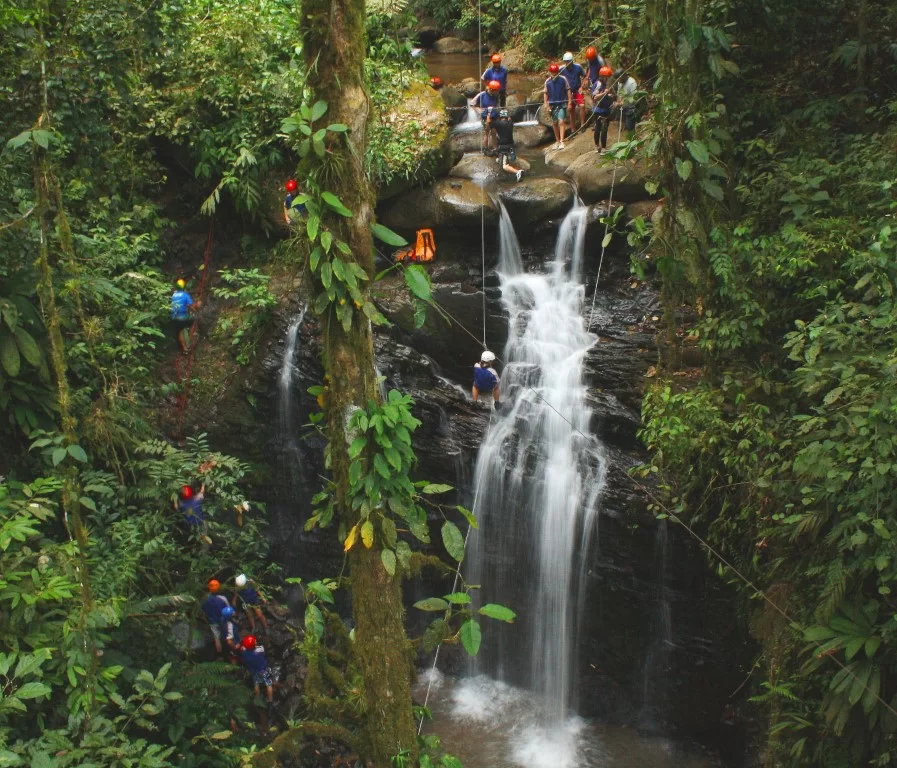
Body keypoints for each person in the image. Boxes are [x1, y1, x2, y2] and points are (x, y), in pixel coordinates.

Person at [543, 63, 572, 150]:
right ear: (550, 72)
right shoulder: (547, 81)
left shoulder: (563, 79)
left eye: (555, 72)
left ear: (558, 72)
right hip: (552, 105)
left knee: (561, 122)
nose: (554, 73)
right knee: (554, 123)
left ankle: (562, 141)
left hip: (561, 103)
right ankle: (557, 141)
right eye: (552, 72)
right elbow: (545, 93)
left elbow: (568, 90)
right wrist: (546, 104)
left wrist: (570, 102)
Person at [492, 109, 525, 182]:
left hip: (504, 148)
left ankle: (517, 172)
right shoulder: (510, 123)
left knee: (505, 166)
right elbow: (509, 118)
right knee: (500, 157)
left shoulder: (498, 123)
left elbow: (490, 122)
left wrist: (489, 113)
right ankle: (500, 159)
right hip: (511, 146)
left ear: (500, 117)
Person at [239, 635, 274, 704]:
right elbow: (263, 651)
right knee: (269, 684)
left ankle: (258, 699)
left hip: (254, 671)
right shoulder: (259, 649)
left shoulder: (244, 654)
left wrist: (244, 648)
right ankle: (270, 700)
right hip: (264, 669)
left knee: (256, 684)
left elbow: (243, 653)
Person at [559, 52, 587, 131]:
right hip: (568, 92)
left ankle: (582, 125)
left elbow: (585, 77)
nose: (567, 63)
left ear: (572, 61)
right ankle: (573, 129)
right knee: (571, 110)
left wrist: (582, 87)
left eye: (569, 61)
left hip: (577, 90)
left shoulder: (578, 67)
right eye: (566, 61)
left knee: (582, 105)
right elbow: (557, 79)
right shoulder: (561, 69)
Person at [201, 579, 230, 655]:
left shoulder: (205, 600)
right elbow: (228, 609)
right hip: (223, 620)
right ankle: (229, 650)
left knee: (216, 638)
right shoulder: (223, 599)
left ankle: (220, 654)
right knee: (227, 634)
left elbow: (203, 610)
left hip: (212, 621)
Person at [471, 80, 502, 152]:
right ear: (491, 89)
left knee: (494, 132)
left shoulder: (496, 95)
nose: (497, 92)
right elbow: (472, 104)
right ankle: (485, 148)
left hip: (494, 117)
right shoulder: (482, 95)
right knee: (487, 132)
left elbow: (498, 105)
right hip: (485, 118)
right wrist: (479, 111)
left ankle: (495, 148)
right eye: (496, 90)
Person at [591, 66, 616, 153]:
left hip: (606, 110)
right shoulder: (598, 84)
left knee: (605, 128)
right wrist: (604, 94)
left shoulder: (607, 84)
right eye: (606, 77)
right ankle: (597, 145)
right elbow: (595, 97)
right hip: (598, 110)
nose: (608, 79)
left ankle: (604, 147)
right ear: (602, 76)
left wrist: (610, 96)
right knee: (598, 128)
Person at [170, 279, 195, 354]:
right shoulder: (185, 295)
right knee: (194, 321)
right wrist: (195, 311)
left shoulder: (173, 295)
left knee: (179, 332)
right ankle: (190, 340)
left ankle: (184, 349)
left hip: (174, 317)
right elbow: (191, 305)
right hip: (183, 317)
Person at [616, 69, 640, 136]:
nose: (618, 81)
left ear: (623, 76)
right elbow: (619, 93)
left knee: (630, 127)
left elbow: (635, 98)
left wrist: (624, 101)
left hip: (631, 108)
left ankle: (633, 143)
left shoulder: (632, 83)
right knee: (623, 125)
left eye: (619, 79)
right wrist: (619, 101)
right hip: (623, 107)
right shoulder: (620, 82)